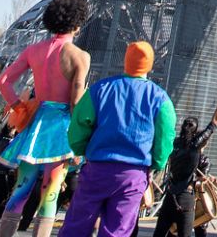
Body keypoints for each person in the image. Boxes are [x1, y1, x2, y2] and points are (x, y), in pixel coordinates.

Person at [0, 0, 93, 237]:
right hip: (61, 128)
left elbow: (4, 81)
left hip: (34, 124)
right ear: (78, 24)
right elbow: (77, 100)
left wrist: (18, 106)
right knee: (51, 190)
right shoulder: (79, 56)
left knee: (20, 188)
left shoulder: (33, 50)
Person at [61, 42, 178, 237]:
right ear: (149, 65)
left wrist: (81, 149)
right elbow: (165, 138)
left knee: (76, 226)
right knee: (117, 230)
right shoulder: (160, 98)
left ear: (125, 61)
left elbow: (78, 125)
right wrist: (157, 163)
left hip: (97, 167)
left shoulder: (99, 89)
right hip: (133, 175)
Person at [153, 83, 217, 237]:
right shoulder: (195, 144)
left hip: (170, 196)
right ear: (195, 131)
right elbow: (215, 121)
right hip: (186, 198)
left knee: (159, 233)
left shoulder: (174, 143)